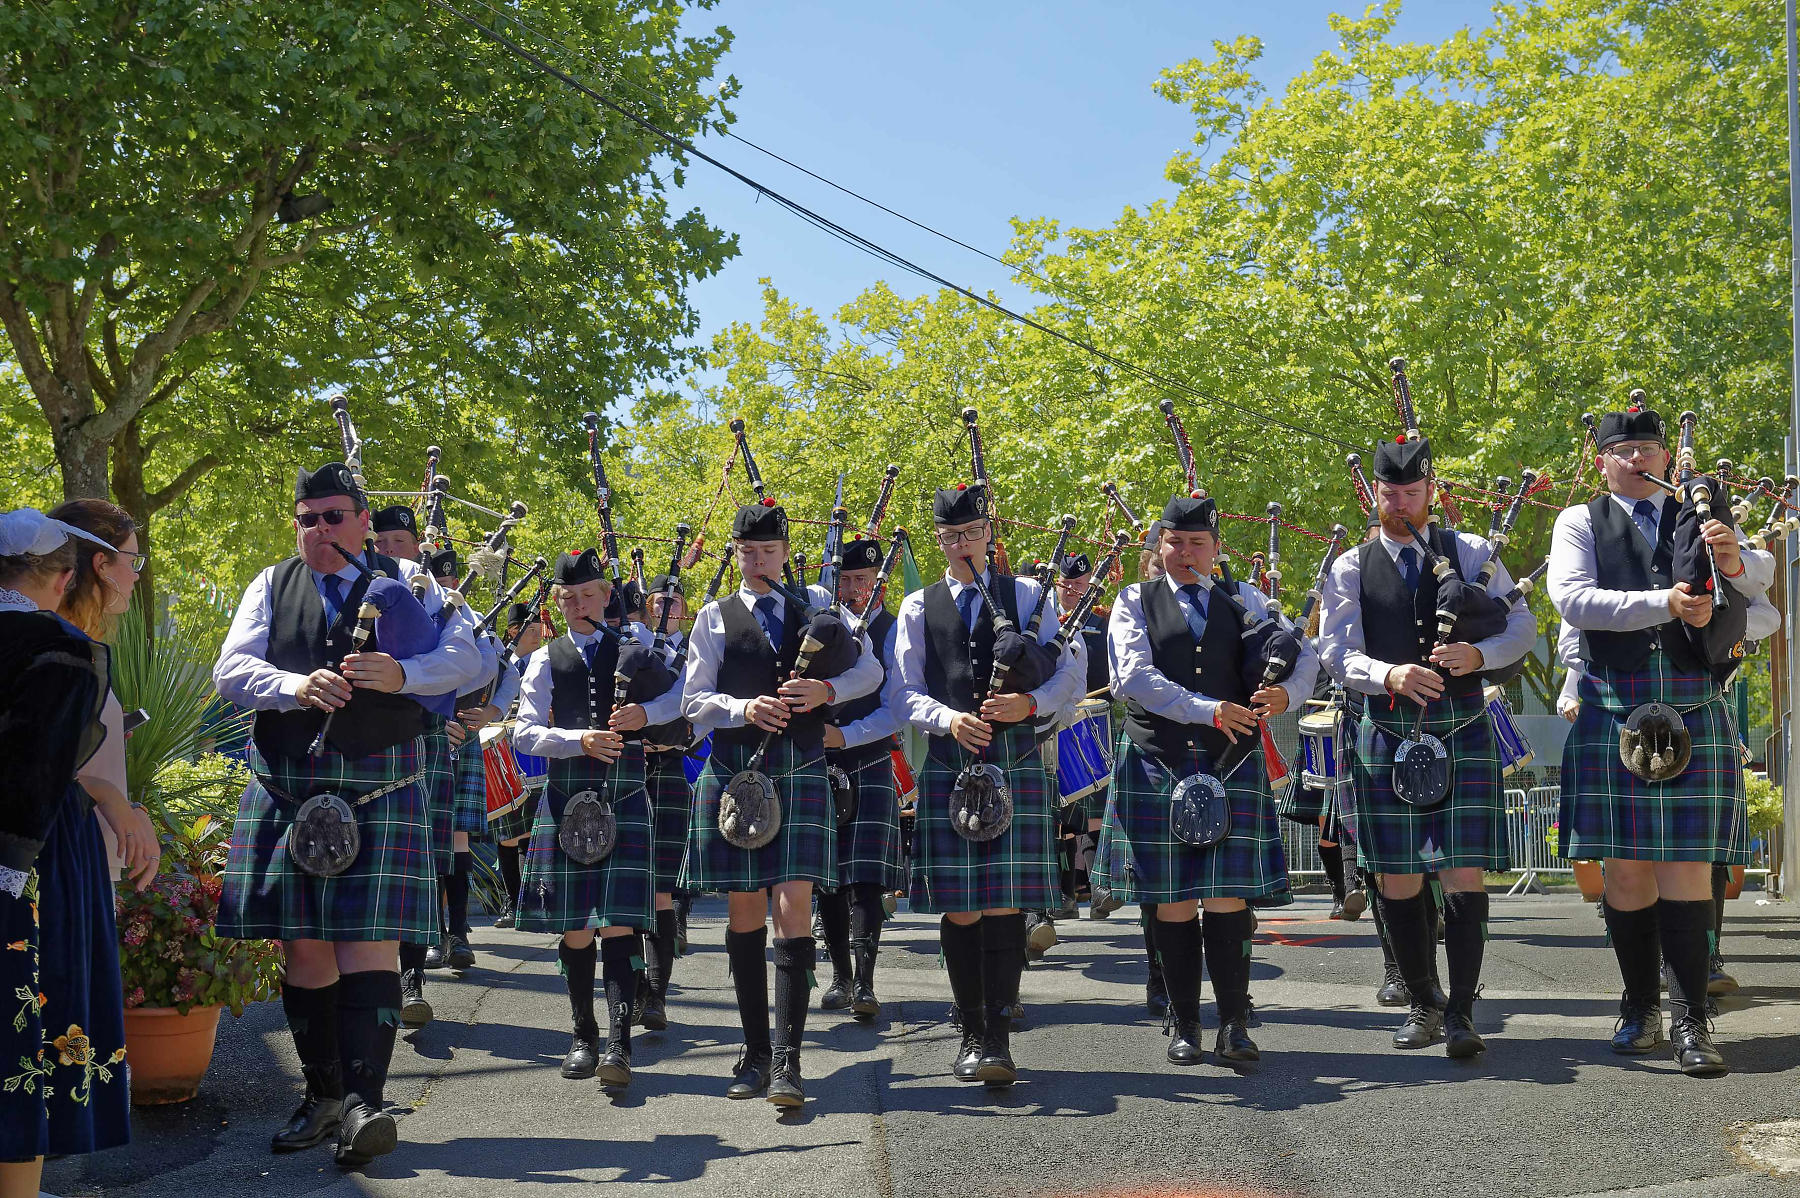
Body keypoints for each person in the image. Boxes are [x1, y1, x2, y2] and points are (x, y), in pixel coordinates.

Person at [213, 464, 481, 1169]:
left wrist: (402, 675)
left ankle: (366, 1103)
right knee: (303, 946)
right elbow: (232, 670)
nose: (320, 530)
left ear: (363, 520)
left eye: (334, 516)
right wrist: (295, 685)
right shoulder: (271, 585)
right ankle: (322, 1095)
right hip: (290, 786)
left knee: (368, 943)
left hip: (380, 782)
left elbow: (468, 658)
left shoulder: (413, 583)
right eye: (308, 519)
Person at [1548, 406, 1777, 1075]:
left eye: (1650, 448)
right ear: (1603, 461)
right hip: (1613, 707)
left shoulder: (1698, 515)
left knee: (1684, 871)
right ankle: (1639, 1004)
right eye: (1627, 451)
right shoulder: (1579, 521)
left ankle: (1692, 1022)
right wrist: (1665, 604)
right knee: (1624, 872)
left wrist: (1733, 566)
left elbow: (1762, 600)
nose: (1641, 460)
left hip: (1691, 704)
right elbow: (1573, 600)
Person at [1319, 434, 1536, 1059]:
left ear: (1431, 492)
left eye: (1412, 493)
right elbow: (1334, 650)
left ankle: (1464, 1012)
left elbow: (1522, 627)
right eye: (1390, 494)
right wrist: (1386, 674)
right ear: (1374, 496)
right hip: (1386, 728)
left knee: (1463, 869)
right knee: (1397, 874)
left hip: (1461, 724)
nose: (1401, 505)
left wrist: (1479, 655)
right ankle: (1422, 1003)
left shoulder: (1470, 554)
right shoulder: (1352, 566)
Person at [1093, 494, 1319, 1066]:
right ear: (1159, 545)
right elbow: (1132, 679)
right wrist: (1209, 708)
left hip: (1229, 762)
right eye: (1175, 542)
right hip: (1157, 759)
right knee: (1171, 901)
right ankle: (1185, 1023)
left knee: (1226, 898)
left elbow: (1304, 654)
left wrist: (1285, 695)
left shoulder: (1246, 599)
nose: (1185, 553)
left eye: (1198, 543)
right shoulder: (1132, 601)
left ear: (1217, 549)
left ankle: (1236, 1023)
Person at [680, 500, 883, 1107]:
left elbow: (870, 673)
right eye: (747, 552)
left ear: (785, 551)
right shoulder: (714, 616)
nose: (757, 561)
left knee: (792, 908)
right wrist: (743, 708)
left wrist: (826, 688)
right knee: (745, 913)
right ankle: (755, 1050)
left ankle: (789, 1061)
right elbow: (693, 701)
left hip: (799, 766)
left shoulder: (817, 607)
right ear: (736, 553)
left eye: (767, 551)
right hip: (738, 769)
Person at [893, 483, 1084, 1087]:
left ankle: (997, 1036)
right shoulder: (919, 607)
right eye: (950, 537)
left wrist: (1029, 702)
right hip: (954, 759)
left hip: (1016, 754)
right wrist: (949, 719)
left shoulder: (1029, 596)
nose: (962, 546)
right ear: (939, 540)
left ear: (989, 532)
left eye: (971, 534)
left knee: (1003, 902)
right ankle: (970, 1030)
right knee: (963, 906)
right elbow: (903, 691)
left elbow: (1071, 671)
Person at [0, 509, 131, 1198]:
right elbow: (34, 774)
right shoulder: (61, 650)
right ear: (61, 575)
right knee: (20, 1032)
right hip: (28, 860)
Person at [512, 548, 657, 1086]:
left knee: (617, 921)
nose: (578, 605)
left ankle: (619, 1045)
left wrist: (646, 712)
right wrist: (578, 741)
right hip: (567, 794)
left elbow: (682, 703)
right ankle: (582, 1035)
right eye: (568, 598)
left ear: (606, 594)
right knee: (575, 928)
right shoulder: (545, 658)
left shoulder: (638, 648)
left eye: (588, 595)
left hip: (622, 792)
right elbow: (524, 731)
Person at [816, 539, 906, 1022]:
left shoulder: (893, 630)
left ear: (879, 584)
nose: (853, 590)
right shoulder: (822, 626)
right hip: (820, 762)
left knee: (866, 879)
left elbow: (896, 709)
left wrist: (844, 735)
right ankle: (840, 976)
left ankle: (866, 981)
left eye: (862, 582)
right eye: (846, 581)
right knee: (828, 879)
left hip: (869, 759)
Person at [619, 571, 690, 1030]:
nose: (667, 606)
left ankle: (656, 994)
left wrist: (679, 736)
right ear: (647, 603)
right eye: (660, 598)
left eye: (676, 600)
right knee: (628, 889)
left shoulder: (698, 648)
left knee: (661, 889)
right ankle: (634, 989)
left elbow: (697, 706)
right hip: (625, 768)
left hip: (668, 770)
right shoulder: (628, 640)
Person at [490, 603, 551, 927]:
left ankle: (538, 901)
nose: (536, 633)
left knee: (536, 830)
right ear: (513, 631)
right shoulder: (502, 666)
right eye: (528, 628)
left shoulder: (548, 662)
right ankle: (512, 902)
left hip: (539, 753)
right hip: (507, 754)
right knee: (508, 833)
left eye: (537, 628)